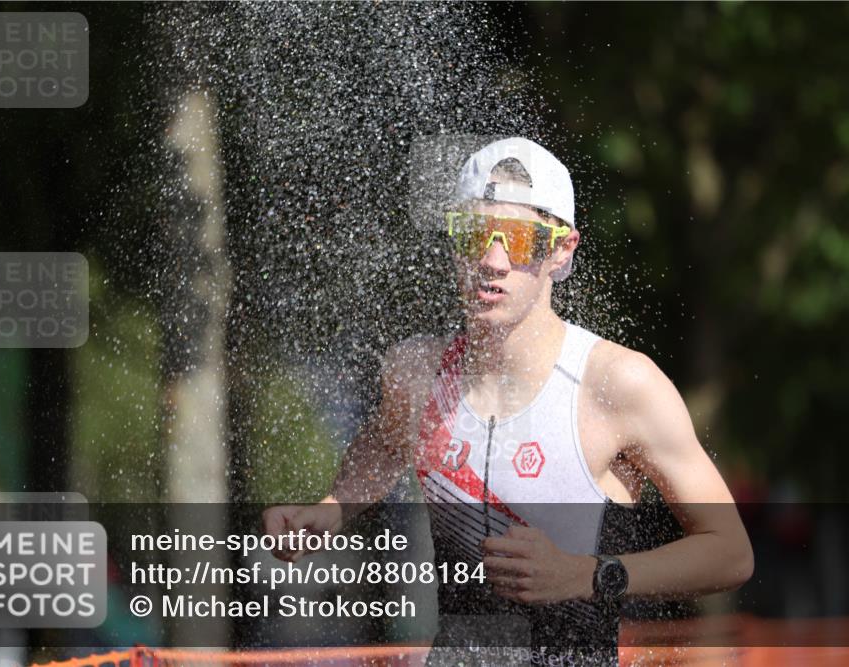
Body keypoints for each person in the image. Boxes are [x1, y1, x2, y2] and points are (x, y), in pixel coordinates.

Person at [263, 137, 753, 664]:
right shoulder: (417, 374)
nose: (492, 261)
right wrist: (331, 511)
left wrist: (588, 574)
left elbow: (730, 552)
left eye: (519, 239)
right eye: (474, 235)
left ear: (561, 250)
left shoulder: (617, 384)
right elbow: (383, 449)